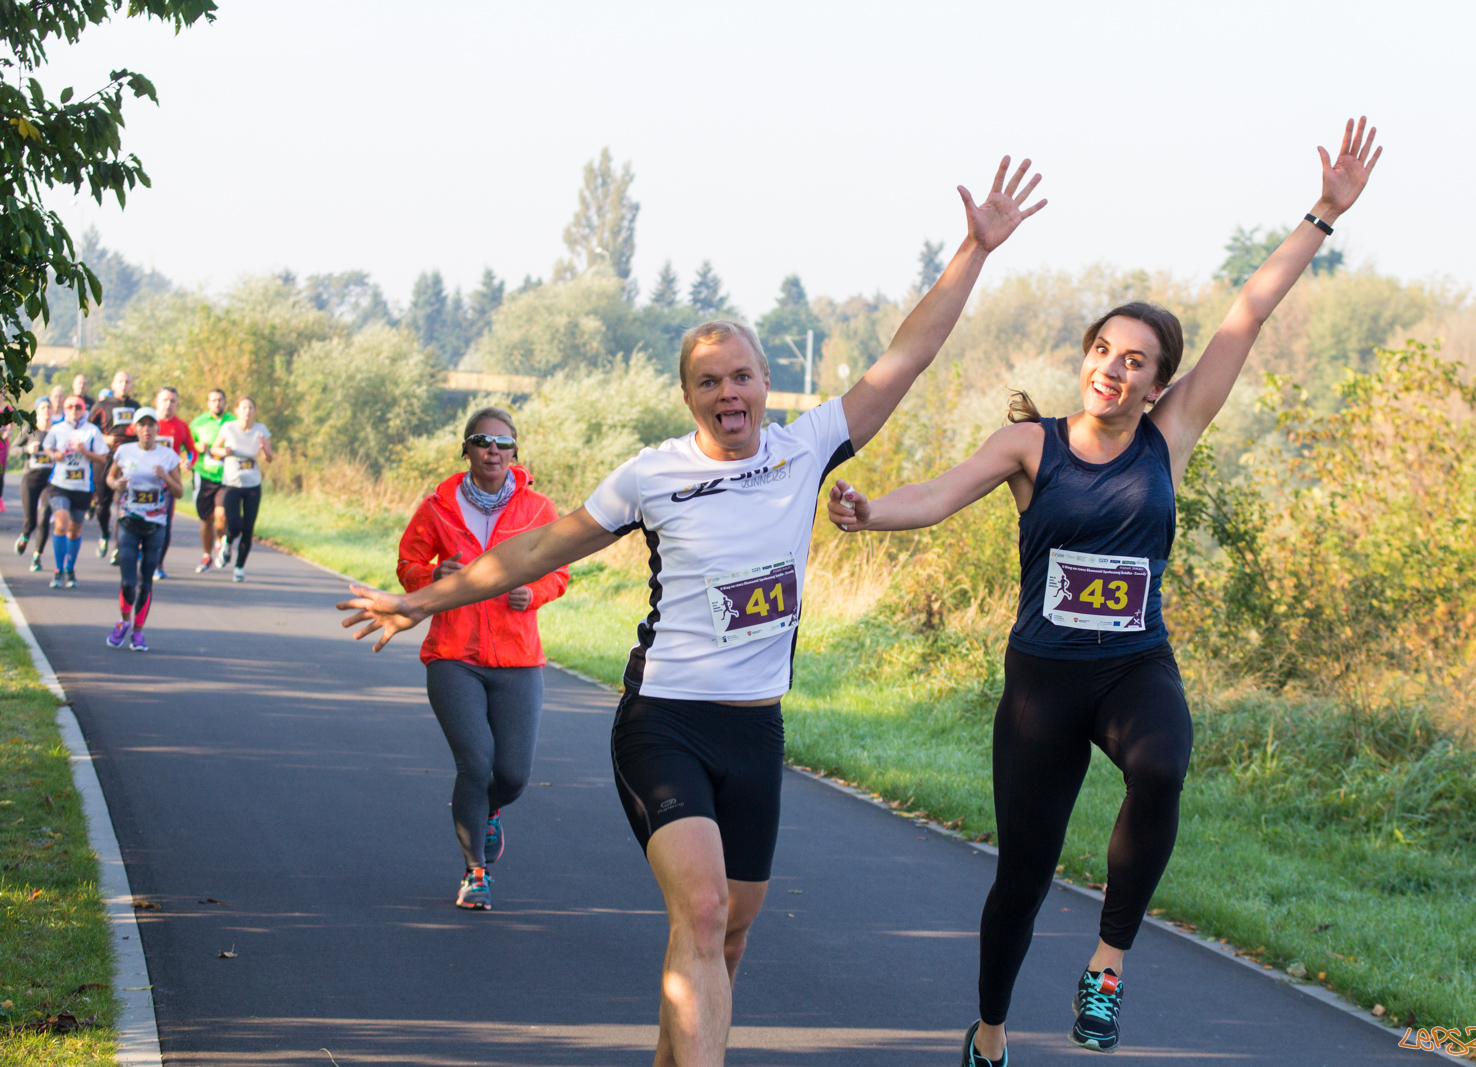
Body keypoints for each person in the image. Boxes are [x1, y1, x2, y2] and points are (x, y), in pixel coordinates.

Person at [338, 156, 1045, 1067]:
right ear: (689, 395)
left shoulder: (805, 448)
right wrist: (416, 599)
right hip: (664, 722)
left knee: (729, 938)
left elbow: (906, 357)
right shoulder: (653, 474)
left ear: (764, 383)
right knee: (703, 913)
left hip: (755, 734)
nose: (731, 394)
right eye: (711, 381)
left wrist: (972, 252)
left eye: (743, 376)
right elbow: (535, 549)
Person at [825, 119, 1382, 1059]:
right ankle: (991, 1029)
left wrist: (1321, 216)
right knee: (1024, 876)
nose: (1113, 370)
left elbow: (1248, 312)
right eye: (1104, 351)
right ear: (1084, 357)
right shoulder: (1028, 443)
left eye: (1136, 361)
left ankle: (1107, 968)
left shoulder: (1172, 437)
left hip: (1132, 666)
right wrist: (872, 510)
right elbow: (942, 491)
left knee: (1162, 764)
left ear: (1159, 383)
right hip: (1042, 680)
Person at [396, 406, 570, 910]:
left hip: (518, 658)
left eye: (502, 443)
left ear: (515, 451)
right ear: (466, 449)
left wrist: (533, 591)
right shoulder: (438, 508)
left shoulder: (538, 509)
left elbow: (559, 573)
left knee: (512, 774)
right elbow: (407, 564)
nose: (492, 450)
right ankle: (475, 872)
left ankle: (488, 811)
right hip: (453, 655)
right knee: (475, 760)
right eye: (481, 441)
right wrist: (433, 575)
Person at [105, 408, 184, 651]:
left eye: (151, 425)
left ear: (157, 429)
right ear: (136, 429)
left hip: (155, 524)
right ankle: (124, 622)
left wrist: (166, 478)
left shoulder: (168, 456)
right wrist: (115, 483)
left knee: (146, 581)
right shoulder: (124, 451)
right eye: (142, 425)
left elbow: (179, 492)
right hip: (128, 520)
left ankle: (138, 632)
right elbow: (110, 478)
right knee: (128, 581)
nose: (147, 429)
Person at [40, 394, 110, 588]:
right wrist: (55, 454)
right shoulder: (57, 429)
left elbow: (103, 458)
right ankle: (58, 569)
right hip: (60, 485)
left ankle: (70, 569)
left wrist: (85, 452)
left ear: (84, 410)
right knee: (61, 524)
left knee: (74, 530)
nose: (73, 410)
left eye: (77, 407)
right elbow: (46, 448)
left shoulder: (92, 431)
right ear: (64, 409)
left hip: (82, 486)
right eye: (69, 407)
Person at [211, 396, 272, 581]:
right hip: (232, 484)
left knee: (248, 528)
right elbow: (214, 449)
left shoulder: (261, 430)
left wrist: (264, 448)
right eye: (244, 407)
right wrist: (224, 452)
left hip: (253, 485)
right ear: (236, 410)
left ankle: (239, 568)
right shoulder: (229, 428)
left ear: (255, 411)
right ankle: (227, 543)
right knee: (235, 524)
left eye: (251, 408)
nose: (247, 411)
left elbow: (270, 458)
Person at [89, 369, 141, 560]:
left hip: (126, 461)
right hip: (105, 459)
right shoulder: (101, 406)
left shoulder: (136, 407)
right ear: (113, 384)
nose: (123, 385)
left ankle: (119, 547)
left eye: (127, 382)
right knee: (103, 505)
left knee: (122, 504)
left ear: (131, 385)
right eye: (120, 381)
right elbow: (88, 429)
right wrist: (103, 438)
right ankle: (104, 534)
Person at [151, 386, 197, 580]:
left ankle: (158, 564)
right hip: (145, 481)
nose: (168, 405)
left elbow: (192, 450)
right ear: (156, 402)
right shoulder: (147, 422)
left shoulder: (181, 426)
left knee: (166, 523)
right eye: (164, 400)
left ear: (177, 404)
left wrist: (189, 462)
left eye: (172, 401)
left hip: (169, 482)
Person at [190, 388, 236, 572]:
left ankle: (220, 540)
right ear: (208, 403)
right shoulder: (198, 423)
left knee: (221, 514)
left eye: (220, 400)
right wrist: (197, 446)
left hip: (226, 475)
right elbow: (188, 443)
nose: (217, 403)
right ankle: (207, 555)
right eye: (213, 400)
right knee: (206, 519)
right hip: (204, 474)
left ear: (225, 402)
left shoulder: (233, 422)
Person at [14, 397, 56, 568]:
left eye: (49, 407)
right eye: (43, 407)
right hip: (30, 479)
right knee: (31, 521)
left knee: (45, 516)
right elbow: (13, 449)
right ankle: (25, 535)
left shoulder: (57, 431)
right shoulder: (29, 429)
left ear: (53, 411)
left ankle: (37, 555)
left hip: (51, 480)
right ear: (37, 411)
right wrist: (27, 449)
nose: (46, 410)